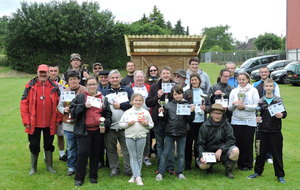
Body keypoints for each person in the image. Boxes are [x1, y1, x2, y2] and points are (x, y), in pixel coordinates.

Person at [70, 76, 112, 186]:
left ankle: (93, 176)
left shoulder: (102, 98)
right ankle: (79, 178)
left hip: (98, 130)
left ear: (97, 85)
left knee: (95, 154)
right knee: (83, 153)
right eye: (89, 84)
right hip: (84, 131)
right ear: (86, 86)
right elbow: (73, 112)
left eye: (94, 84)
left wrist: (105, 125)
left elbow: (108, 114)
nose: (92, 86)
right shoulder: (80, 97)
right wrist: (83, 106)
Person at [20, 64, 60, 175]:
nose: (43, 74)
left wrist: (58, 119)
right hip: (33, 123)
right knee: (34, 145)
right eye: (40, 72)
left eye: (45, 72)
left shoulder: (55, 86)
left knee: (49, 144)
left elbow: (60, 103)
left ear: (48, 73)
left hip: (50, 123)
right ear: (37, 73)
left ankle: (49, 166)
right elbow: (24, 104)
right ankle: (33, 168)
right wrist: (26, 121)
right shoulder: (29, 85)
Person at [247, 79, 287, 184]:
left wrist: (281, 115)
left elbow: (285, 113)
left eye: (270, 86)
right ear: (264, 88)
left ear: (273, 87)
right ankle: (257, 172)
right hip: (261, 131)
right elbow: (257, 114)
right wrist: (257, 118)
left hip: (275, 132)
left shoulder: (278, 100)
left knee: (277, 154)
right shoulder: (261, 101)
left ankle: (280, 175)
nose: (268, 88)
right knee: (259, 153)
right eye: (267, 86)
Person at [155, 85, 195, 181]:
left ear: (182, 94)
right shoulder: (168, 105)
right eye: (175, 94)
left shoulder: (187, 104)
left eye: (179, 94)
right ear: (172, 95)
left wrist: (192, 112)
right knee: (166, 153)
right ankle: (161, 172)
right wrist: (162, 113)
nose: (177, 96)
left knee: (181, 154)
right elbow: (164, 120)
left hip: (182, 133)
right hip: (170, 132)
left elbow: (190, 120)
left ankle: (180, 172)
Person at [196, 104, 240, 179]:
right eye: (215, 113)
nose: (217, 115)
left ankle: (228, 171)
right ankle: (209, 166)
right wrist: (201, 156)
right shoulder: (204, 126)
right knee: (203, 166)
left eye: (219, 113)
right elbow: (200, 144)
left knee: (235, 151)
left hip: (223, 152)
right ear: (211, 114)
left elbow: (231, 140)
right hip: (209, 153)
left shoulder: (227, 125)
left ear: (222, 114)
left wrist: (221, 149)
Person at [103, 69, 134, 177]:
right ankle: (114, 168)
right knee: (111, 149)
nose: (115, 79)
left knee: (126, 149)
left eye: (117, 77)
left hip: (125, 126)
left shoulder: (127, 89)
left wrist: (121, 106)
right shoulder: (104, 92)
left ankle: (128, 169)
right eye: (112, 78)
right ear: (109, 79)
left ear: (120, 78)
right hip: (110, 127)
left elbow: (134, 103)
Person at [119, 93, 154, 186]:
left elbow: (151, 125)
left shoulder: (145, 112)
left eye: (140, 100)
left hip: (141, 136)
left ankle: (135, 176)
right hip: (130, 136)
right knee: (132, 156)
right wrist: (128, 124)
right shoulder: (127, 112)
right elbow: (121, 124)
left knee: (139, 156)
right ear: (132, 101)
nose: (138, 102)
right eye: (136, 100)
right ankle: (138, 177)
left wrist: (146, 124)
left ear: (142, 102)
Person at [146, 66, 175, 174]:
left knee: (170, 144)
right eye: (164, 73)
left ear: (170, 74)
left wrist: (172, 96)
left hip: (172, 120)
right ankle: (160, 166)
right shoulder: (154, 87)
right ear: (160, 75)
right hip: (158, 119)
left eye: (168, 73)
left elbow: (178, 100)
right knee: (159, 144)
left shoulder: (175, 86)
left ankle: (170, 167)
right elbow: (148, 103)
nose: (166, 75)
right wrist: (157, 96)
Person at [228, 72, 259, 171]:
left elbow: (256, 106)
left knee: (247, 143)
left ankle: (248, 164)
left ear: (248, 80)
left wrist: (244, 106)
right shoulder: (234, 91)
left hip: (249, 121)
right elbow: (229, 108)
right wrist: (234, 104)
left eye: (243, 79)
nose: (241, 81)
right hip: (236, 121)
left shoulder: (253, 90)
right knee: (238, 143)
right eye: (239, 79)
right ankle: (239, 163)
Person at [57, 70, 86, 176]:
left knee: (81, 147)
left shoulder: (84, 90)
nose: (73, 81)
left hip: (81, 123)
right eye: (71, 79)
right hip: (68, 124)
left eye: (75, 79)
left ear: (79, 80)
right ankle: (71, 167)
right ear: (68, 81)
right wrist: (64, 110)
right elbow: (59, 106)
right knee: (71, 147)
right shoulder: (65, 91)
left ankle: (81, 166)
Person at [253, 66, 281, 164]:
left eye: (265, 72)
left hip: (272, 114)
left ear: (268, 73)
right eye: (262, 72)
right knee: (259, 136)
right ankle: (259, 155)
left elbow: (278, 98)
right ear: (259, 73)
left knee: (270, 134)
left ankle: (269, 155)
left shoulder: (275, 84)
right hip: (260, 113)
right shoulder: (255, 84)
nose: (264, 73)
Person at [183, 73, 209, 170]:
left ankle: (199, 163)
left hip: (202, 121)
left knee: (199, 143)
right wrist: (189, 108)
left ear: (199, 81)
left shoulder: (205, 92)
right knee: (188, 143)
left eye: (195, 80)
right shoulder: (187, 92)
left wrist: (205, 108)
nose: (194, 81)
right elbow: (183, 105)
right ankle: (188, 164)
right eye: (192, 80)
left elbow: (209, 106)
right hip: (190, 121)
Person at [130, 70, 152, 166]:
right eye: (137, 77)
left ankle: (146, 156)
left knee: (146, 136)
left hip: (146, 115)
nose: (139, 79)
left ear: (144, 78)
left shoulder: (149, 88)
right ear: (134, 78)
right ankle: (134, 156)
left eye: (141, 77)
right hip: (133, 115)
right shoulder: (130, 88)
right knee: (133, 135)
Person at [49, 65, 68, 162]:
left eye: (55, 70)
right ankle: (47, 156)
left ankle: (62, 154)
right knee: (48, 136)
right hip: (49, 114)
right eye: (51, 71)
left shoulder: (64, 84)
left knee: (61, 135)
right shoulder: (45, 83)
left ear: (58, 71)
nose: (53, 72)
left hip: (60, 113)